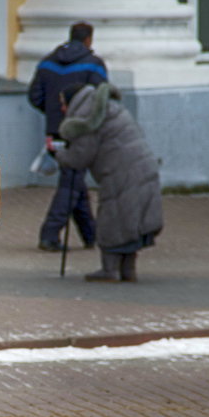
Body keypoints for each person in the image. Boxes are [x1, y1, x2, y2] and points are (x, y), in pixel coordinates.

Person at [54, 82, 163, 282]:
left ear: (73, 101)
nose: (62, 108)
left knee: (113, 218)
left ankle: (109, 269)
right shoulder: (107, 106)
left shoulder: (86, 117)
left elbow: (80, 158)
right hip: (142, 167)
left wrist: (59, 154)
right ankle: (128, 270)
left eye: (63, 103)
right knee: (131, 220)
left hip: (121, 173)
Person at [27, 21, 106, 252]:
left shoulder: (47, 62)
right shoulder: (94, 65)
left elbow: (35, 95)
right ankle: (50, 234)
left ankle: (91, 236)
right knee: (71, 181)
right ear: (88, 39)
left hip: (54, 131)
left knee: (74, 180)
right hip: (81, 131)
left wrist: (53, 112)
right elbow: (99, 101)